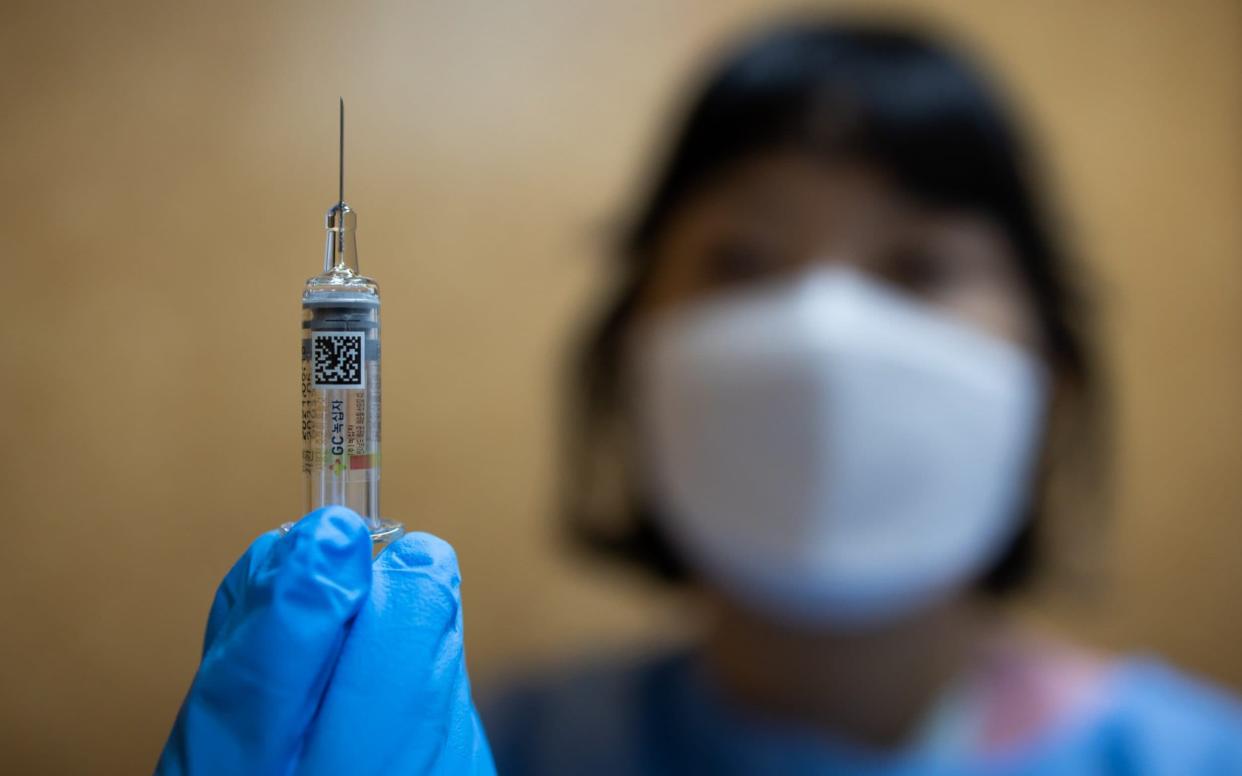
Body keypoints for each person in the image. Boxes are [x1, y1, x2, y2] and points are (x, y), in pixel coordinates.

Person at [158, 17, 1242, 776]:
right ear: (632, 354)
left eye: (916, 268)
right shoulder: (489, 745)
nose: (823, 335)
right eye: (742, 259)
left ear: (1048, 365)